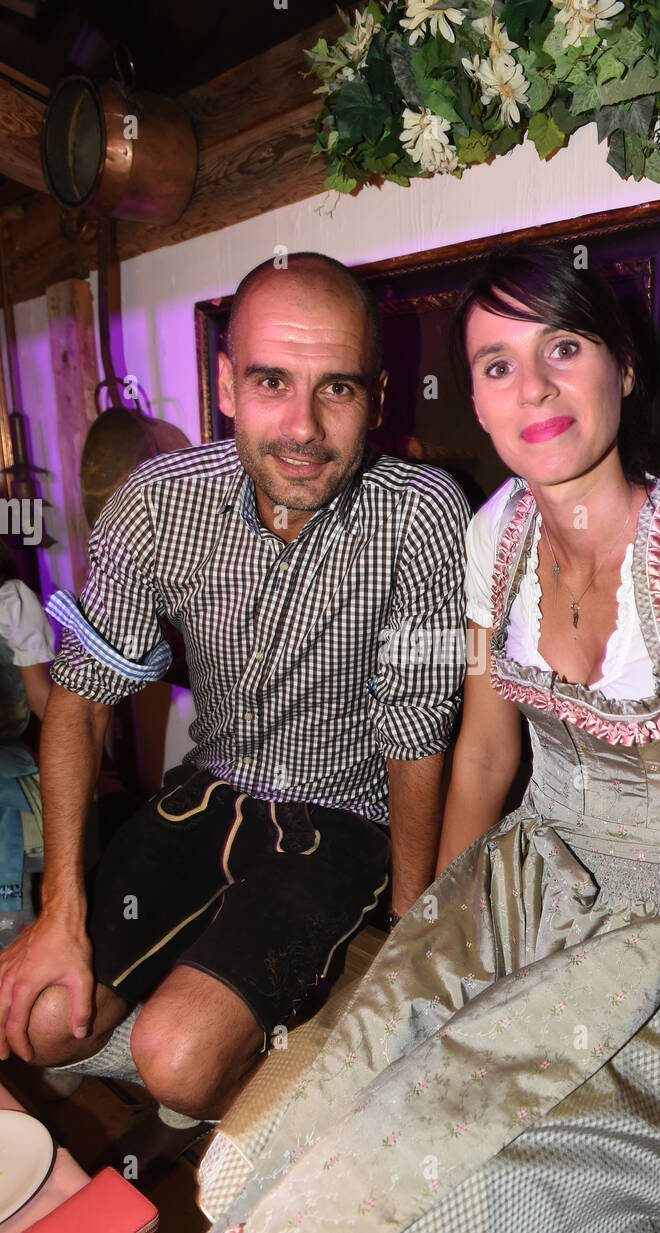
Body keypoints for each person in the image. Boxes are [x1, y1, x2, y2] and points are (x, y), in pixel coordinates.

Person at [169, 244, 660, 1233]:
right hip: (519, 892)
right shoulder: (493, 531)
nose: (530, 386)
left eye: (563, 347)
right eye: (494, 364)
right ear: (475, 400)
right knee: (273, 1141)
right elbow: (488, 753)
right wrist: (426, 933)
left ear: (622, 368)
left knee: (462, 1232)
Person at [0, 252, 471, 1123]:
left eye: (335, 388)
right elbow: (79, 697)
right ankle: (191, 1004)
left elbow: (416, 730)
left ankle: (232, 1046)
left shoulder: (424, 510)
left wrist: (413, 923)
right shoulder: (155, 499)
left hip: (344, 818)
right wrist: (58, 909)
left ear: (376, 392)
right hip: (207, 791)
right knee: (37, 1026)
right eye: (269, 381)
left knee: (175, 1064)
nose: (301, 426)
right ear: (224, 385)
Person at [0, 542, 54, 945]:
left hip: (3, 774)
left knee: (9, 925)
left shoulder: (9, 599)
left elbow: (39, 698)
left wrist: (77, 763)